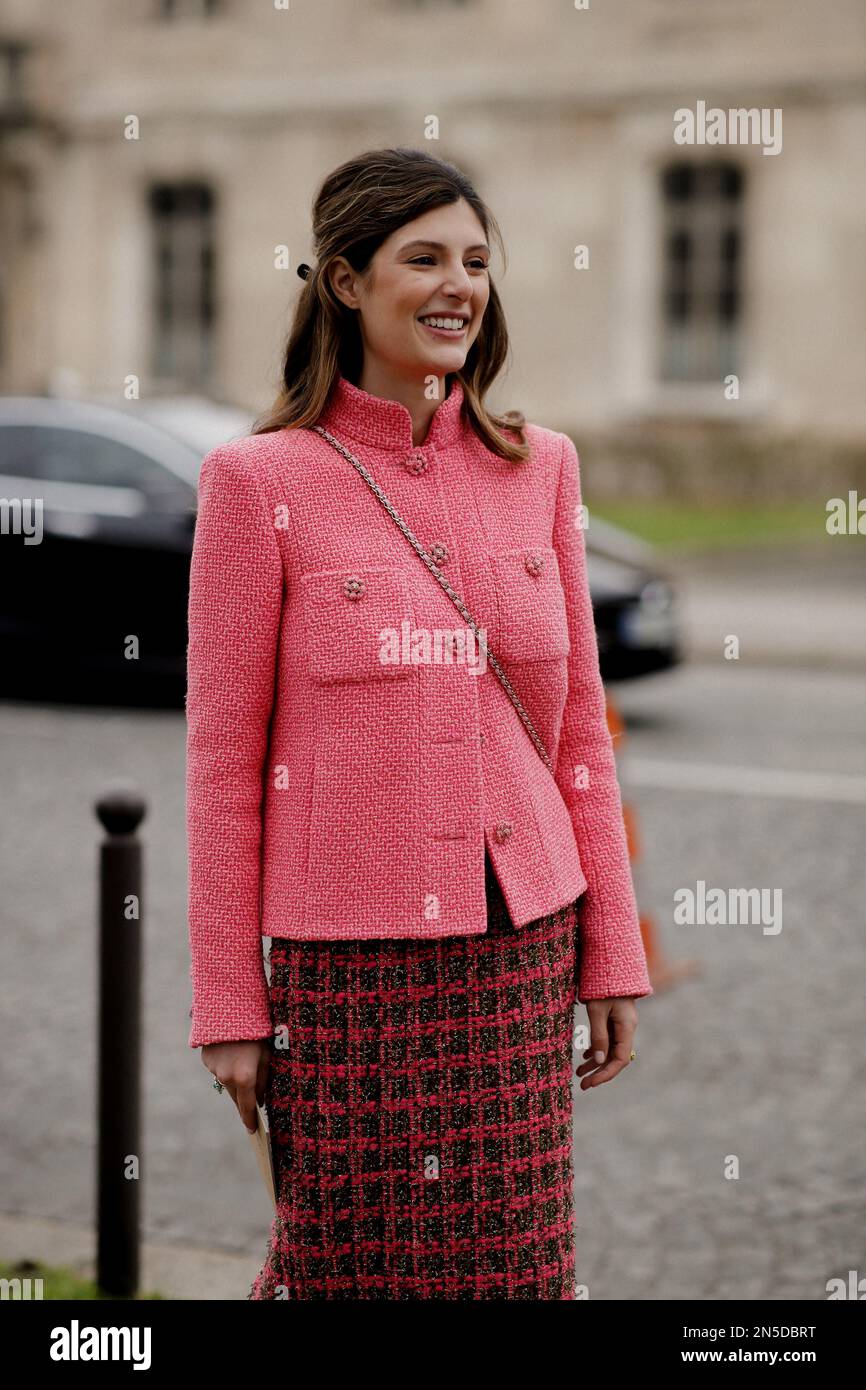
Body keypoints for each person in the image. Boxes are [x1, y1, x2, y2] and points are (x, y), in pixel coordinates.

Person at [185, 146, 652, 1300]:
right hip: (346, 977)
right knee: (345, 1271)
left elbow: (581, 735)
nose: (458, 286)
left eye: (477, 262)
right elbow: (220, 762)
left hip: (518, 954)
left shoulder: (540, 466)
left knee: (512, 1270)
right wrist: (229, 1006)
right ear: (345, 281)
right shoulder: (256, 482)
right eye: (424, 258)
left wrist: (613, 955)